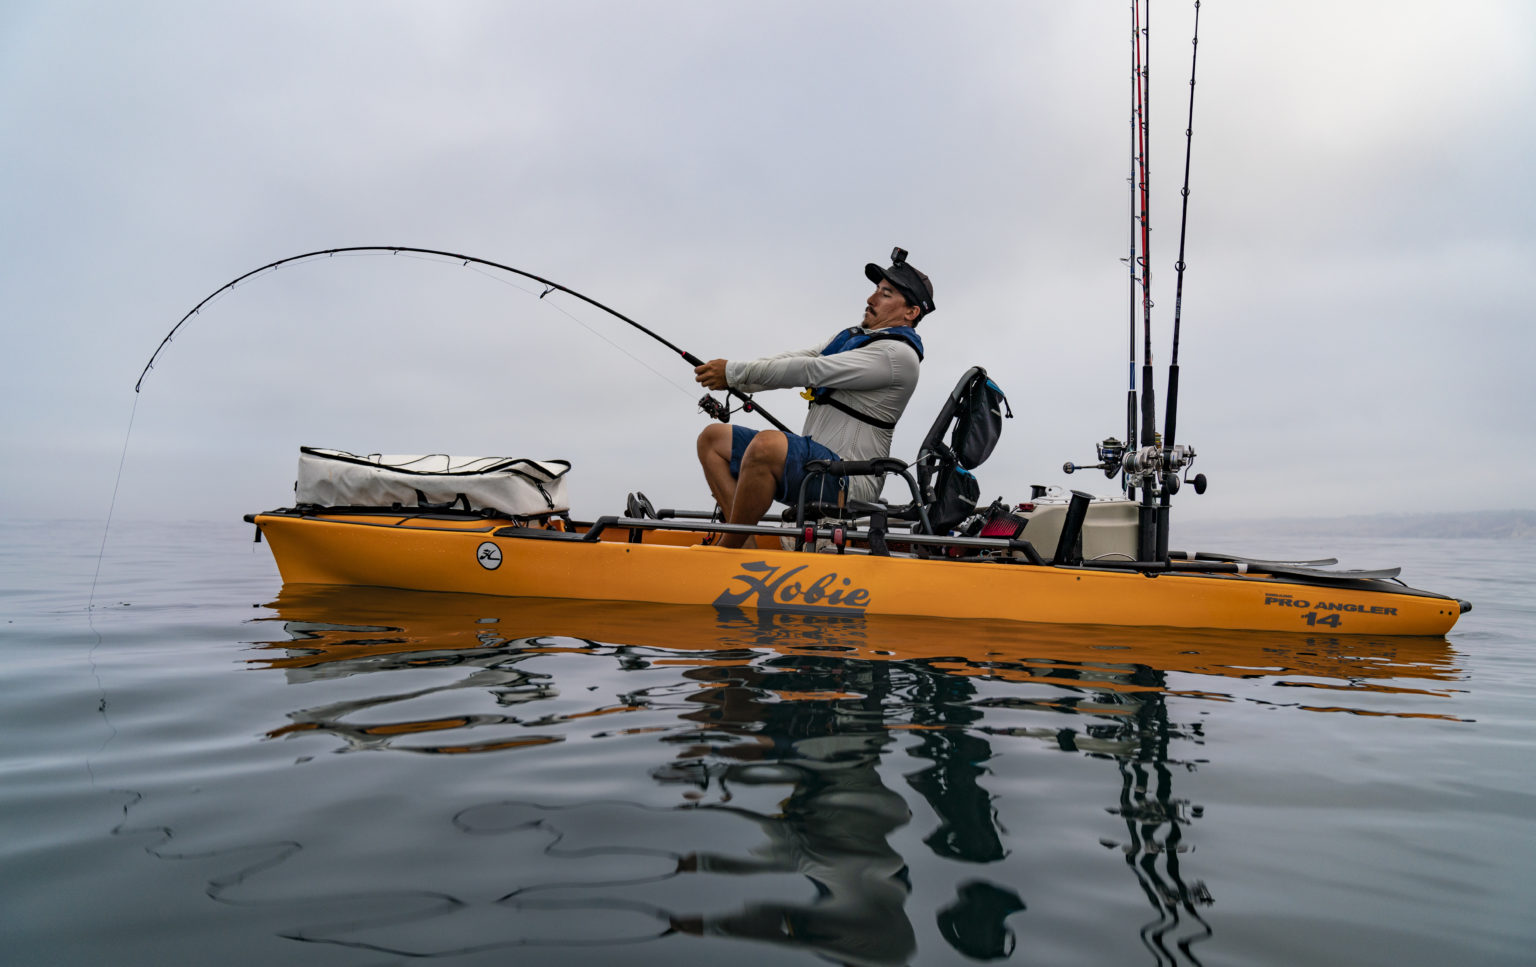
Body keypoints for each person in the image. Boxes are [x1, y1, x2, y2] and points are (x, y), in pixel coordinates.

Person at [694, 248, 934, 548]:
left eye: (885, 294)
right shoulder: (855, 338)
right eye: (875, 290)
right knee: (713, 439)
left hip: (850, 479)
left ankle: (726, 554)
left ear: (911, 312)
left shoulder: (897, 356)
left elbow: (811, 370)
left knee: (767, 445)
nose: (871, 299)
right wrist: (736, 378)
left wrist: (732, 373)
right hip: (817, 465)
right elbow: (797, 357)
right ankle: (744, 545)